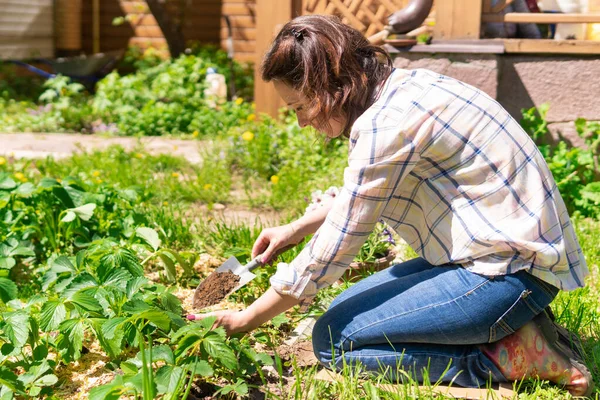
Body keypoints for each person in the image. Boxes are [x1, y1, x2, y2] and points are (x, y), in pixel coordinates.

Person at [188, 15, 593, 396]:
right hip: (502, 260)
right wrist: (295, 229)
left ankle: (500, 360)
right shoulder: (405, 90)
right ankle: (520, 328)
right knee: (344, 309)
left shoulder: (388, 126)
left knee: (332, 341)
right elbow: (365, 194)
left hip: (508, 276)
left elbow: (333, 250)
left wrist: (246, 320)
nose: (300, 122)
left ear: (331, 88)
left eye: (299, 107)